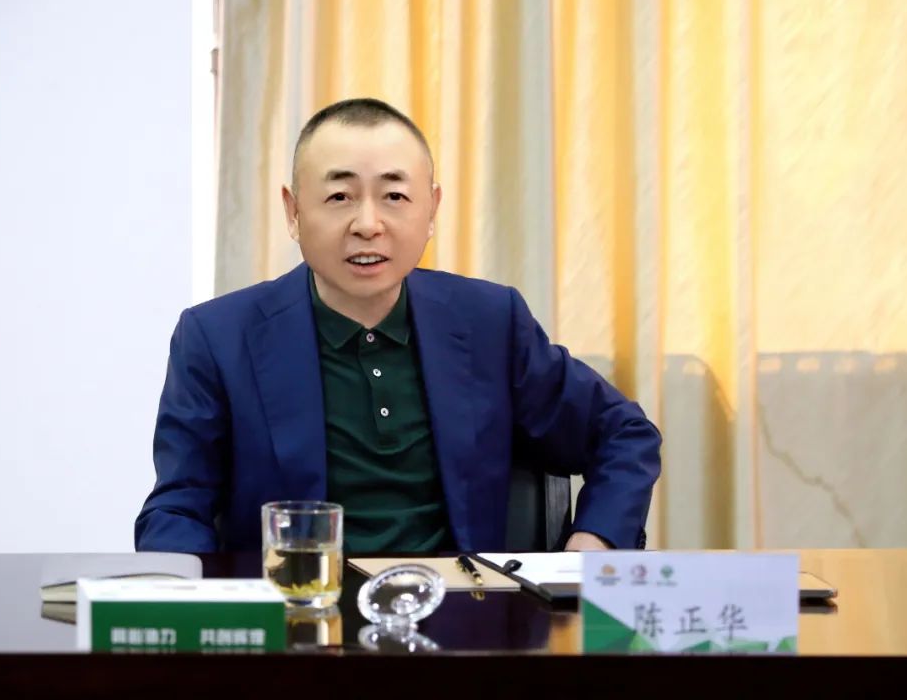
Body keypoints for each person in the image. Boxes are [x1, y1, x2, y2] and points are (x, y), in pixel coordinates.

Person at [135, 97, 661, 554]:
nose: (368, 224)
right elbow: (177, 508)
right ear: (293, 212)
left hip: (464, 618)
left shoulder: (489, 322)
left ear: (431, 210)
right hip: (297, 615)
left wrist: (593, 542)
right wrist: (195, 605)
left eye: (395, 196)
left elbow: (623, 433)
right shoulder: (218, 337)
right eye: (339, 197)